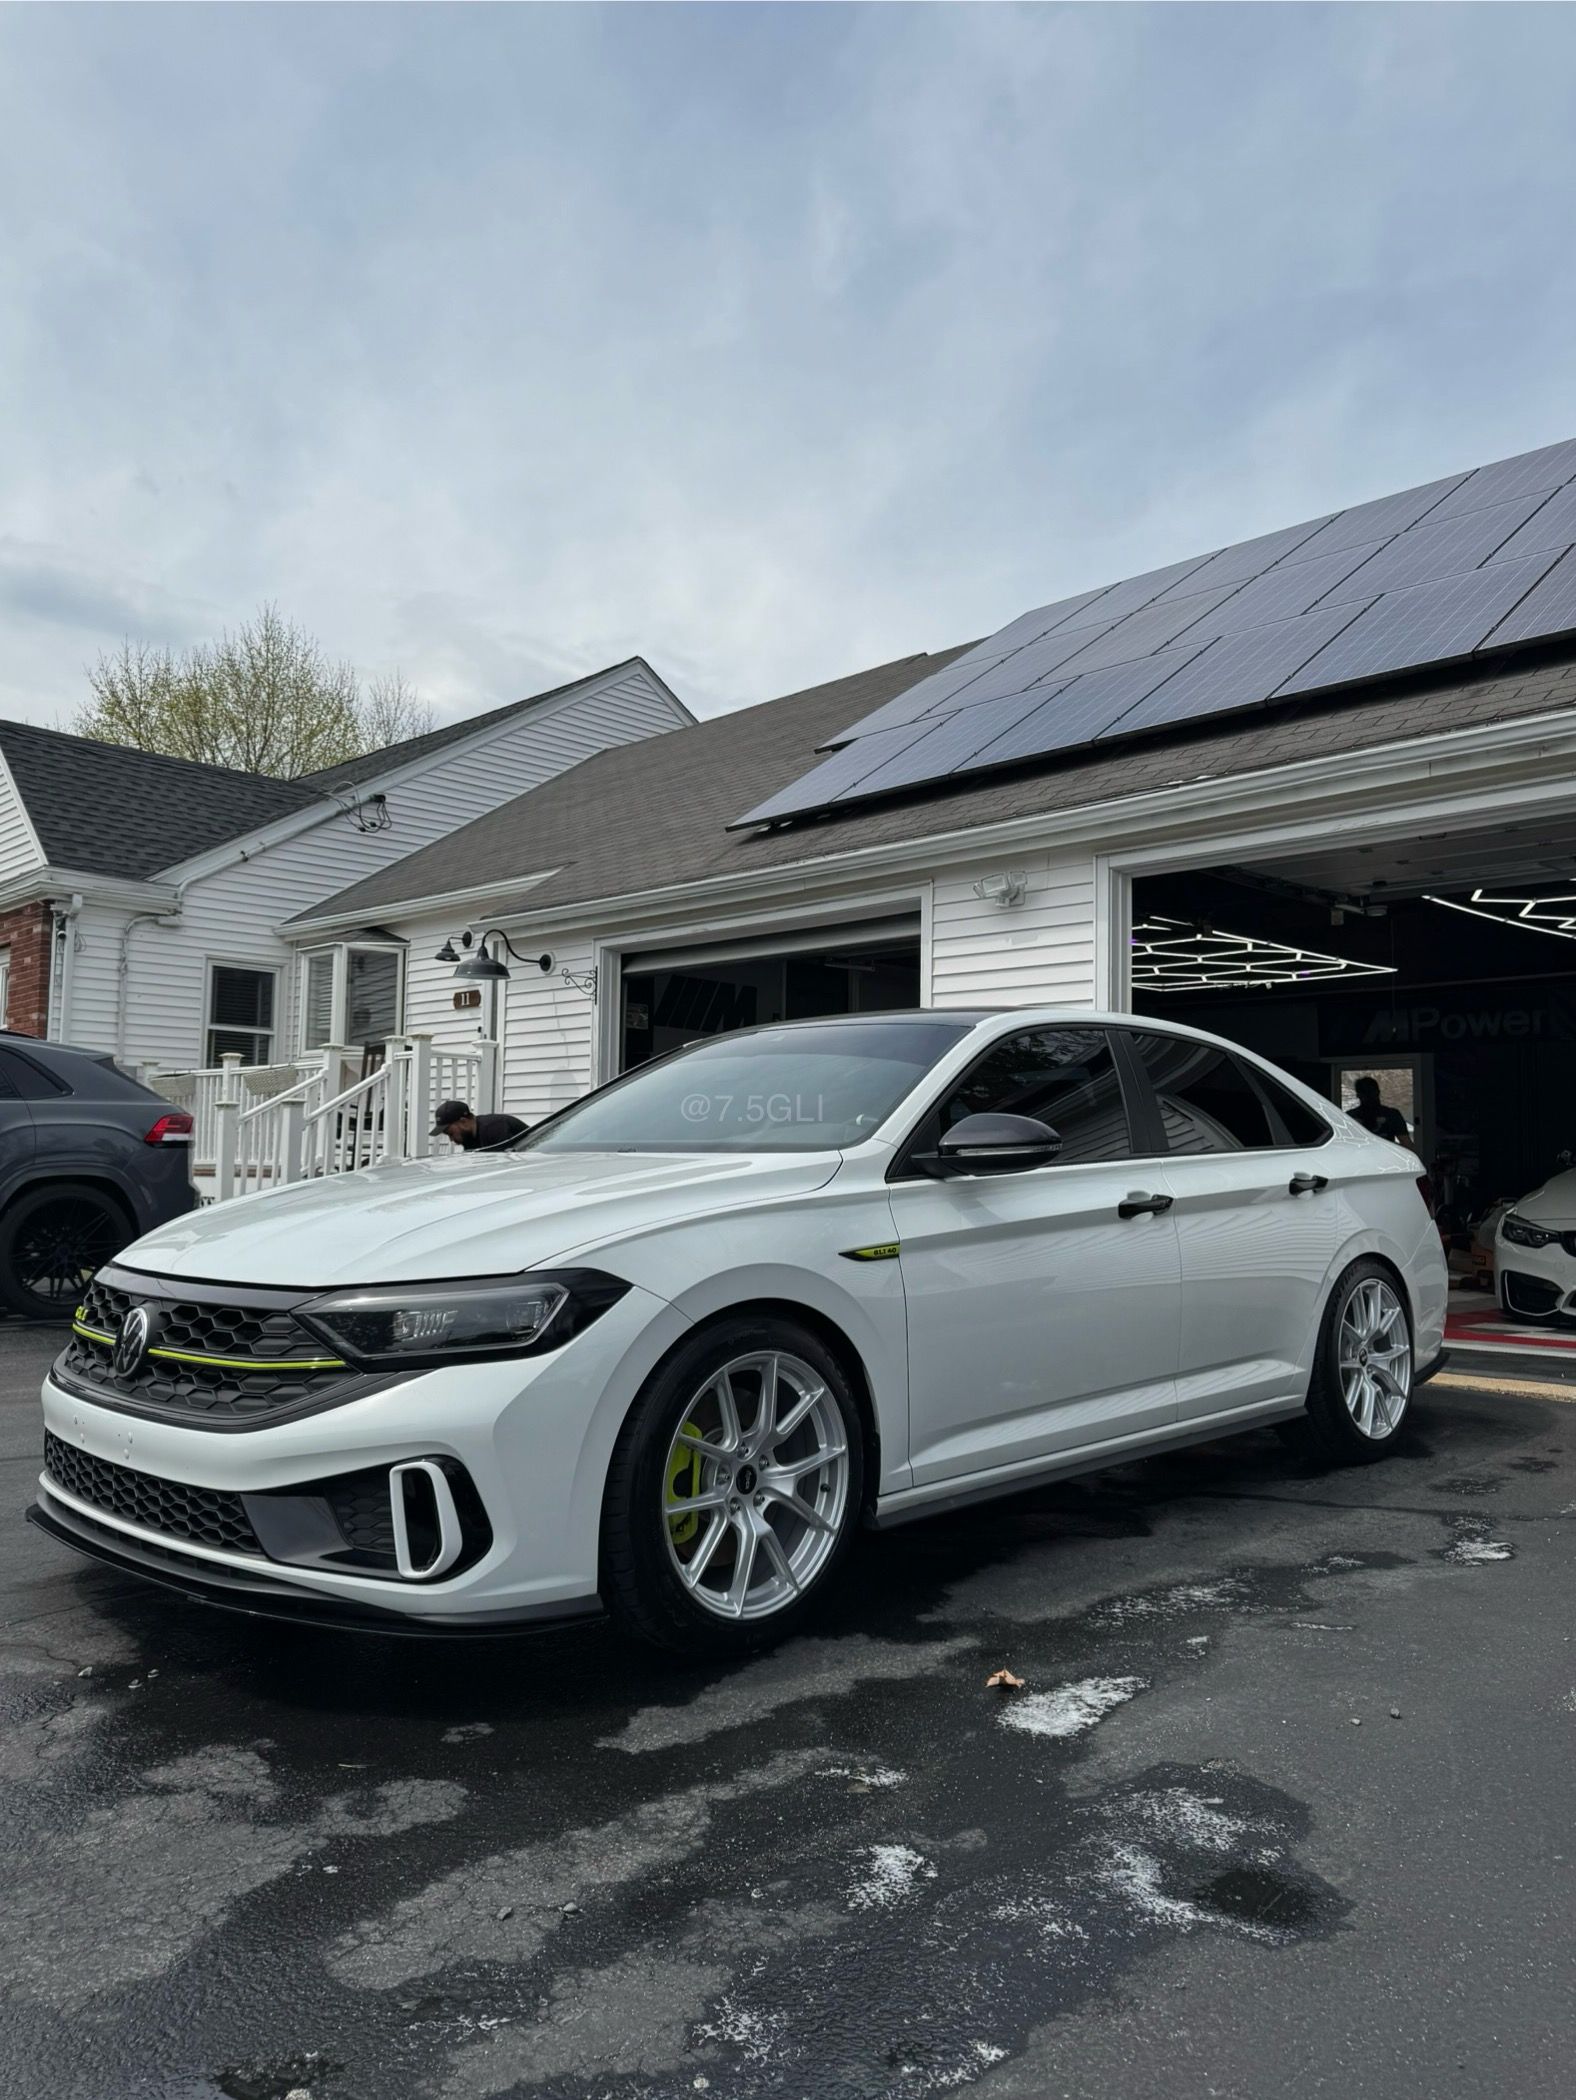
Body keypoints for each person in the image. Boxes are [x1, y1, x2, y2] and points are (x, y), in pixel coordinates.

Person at [431, 1099, 528, 1151]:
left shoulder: (493, 1128)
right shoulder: (469, 1138)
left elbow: (506, 1164)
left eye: (451, 1133)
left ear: (464, 1122)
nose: (451, 1139)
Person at [1349, 1075, 1409, 1144]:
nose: (1369, 1097)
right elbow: (1406, 1143)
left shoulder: (1349, 1117)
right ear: (1378, 1092)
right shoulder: (1392, 1115)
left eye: (1370, 1093)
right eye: (1367, 1093)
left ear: (1358, 1095)